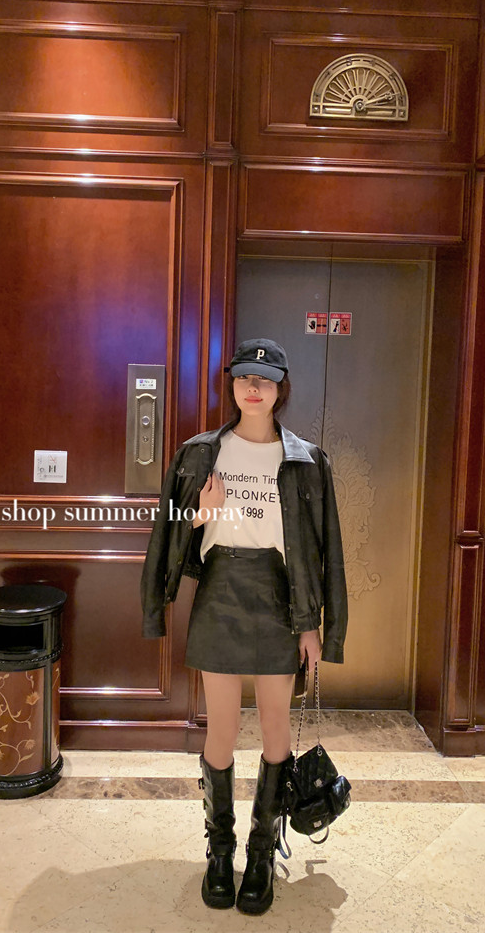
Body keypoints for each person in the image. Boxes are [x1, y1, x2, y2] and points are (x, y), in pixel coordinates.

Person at [141, 337, 347, 916]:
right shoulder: (200, 453)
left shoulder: (306, 460)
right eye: (243, 378)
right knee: (223, 731)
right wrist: (199, 515)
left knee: (277, 729)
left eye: (265, 379)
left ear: (281, 389)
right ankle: (220, 851)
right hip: (221, 594)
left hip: (279, 599)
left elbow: (322, 549)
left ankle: (260, 853)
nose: (253, 388)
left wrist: (314, 625)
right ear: (231, 386)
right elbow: (169, 528)